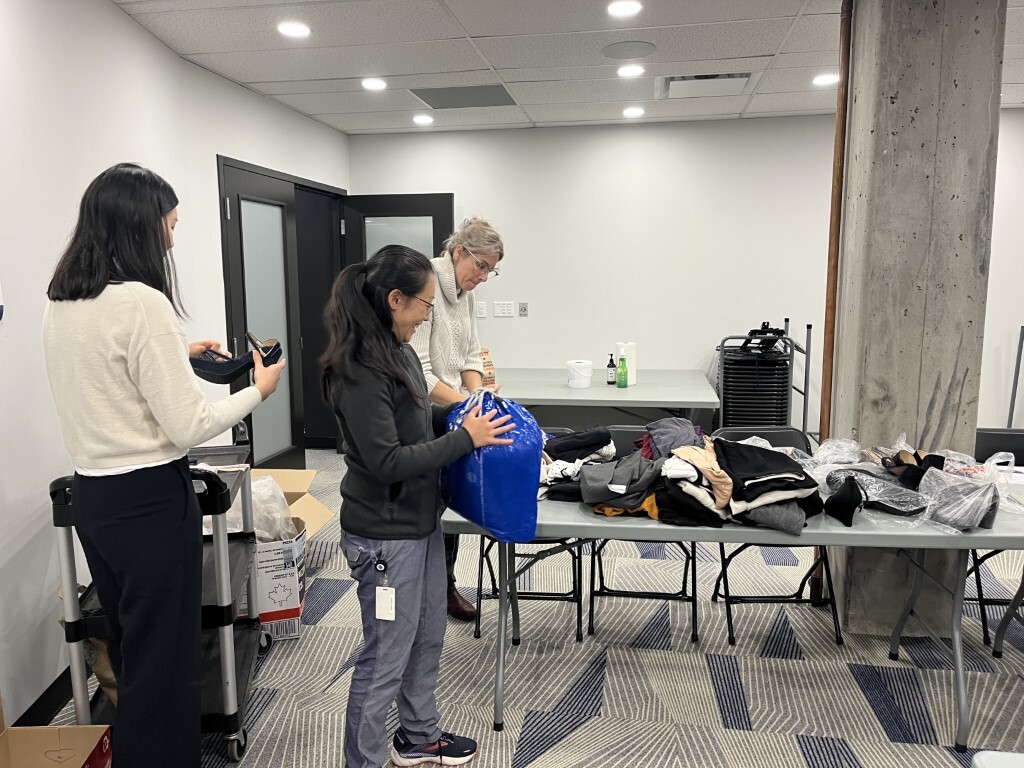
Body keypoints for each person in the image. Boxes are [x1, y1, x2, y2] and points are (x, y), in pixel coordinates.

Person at [42, 163, 286, 768]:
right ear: (140, 227)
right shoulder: (143, 303)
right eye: (170, 225)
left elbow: (107, 370)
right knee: (168, 659)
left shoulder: (63, 301)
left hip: (95, 499)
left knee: (132, 643)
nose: (173, 240)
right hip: (149, 499)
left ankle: (135, 750)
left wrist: (179, 350)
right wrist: (259, 390)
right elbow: (191, 425)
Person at [321, 245, 513, 768]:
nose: (428, 315)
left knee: (427, 635)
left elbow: (415, 420)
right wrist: (464, 439)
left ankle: (418, 736)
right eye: (425, 305)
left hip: (420, 520)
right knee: (385, 654)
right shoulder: (358, 368)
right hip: (384, 535)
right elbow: (387, 461)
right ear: (395, 299)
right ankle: (363, 761)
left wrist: (460, 418)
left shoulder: (399, 351)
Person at [410, 216, 505, 621]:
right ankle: (430, 586)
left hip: (454, 409)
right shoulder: (427, 283)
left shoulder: (465, 293)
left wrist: (478, 396)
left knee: (453, 497)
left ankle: (444, 583)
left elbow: (470, 356)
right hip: (426, 411)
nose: (483, 277)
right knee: (433, 503)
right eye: (480, 265)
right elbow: (419, 371)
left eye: (490, 270)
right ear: (459, 252)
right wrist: (465, 407)